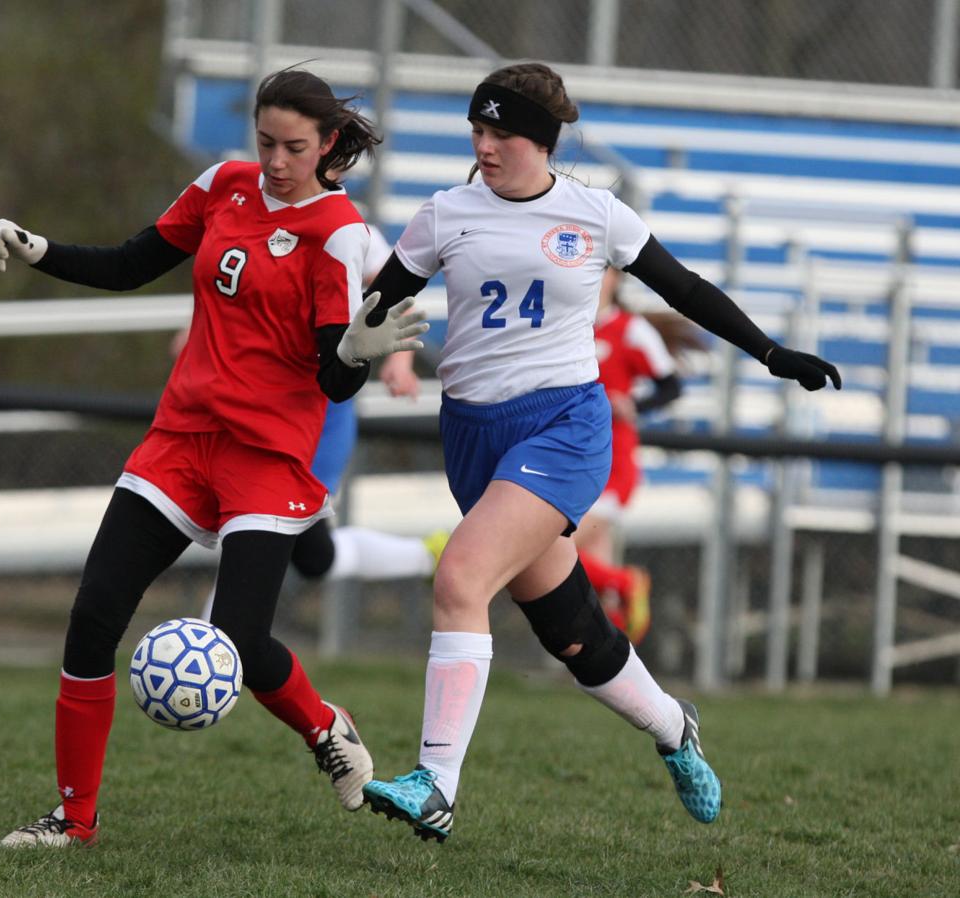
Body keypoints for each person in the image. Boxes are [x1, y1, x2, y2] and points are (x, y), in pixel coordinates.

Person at [358, 62, 841, 842]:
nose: (484, 145)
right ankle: (674, 729)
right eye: (477, 130)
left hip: (565, 428)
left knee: (460, 578)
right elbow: (367, 326)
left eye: (500, 132)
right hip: (472, 435)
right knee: (570, 628)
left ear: (541, 140)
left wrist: (771, 351)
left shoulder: (597, 215)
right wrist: (349, 354)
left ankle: (436, 784)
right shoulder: (443, 216)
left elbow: (686, 290)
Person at [0, 67, 427, 848]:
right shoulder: (225, 184)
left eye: (294, 148)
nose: (277, 161)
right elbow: (128, 264)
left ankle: (327, 729)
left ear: (328, 147)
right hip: (182, 439)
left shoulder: (338, 233)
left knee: (241, 645)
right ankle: (73, 821)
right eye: (266, 143)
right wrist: (36, 247)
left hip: (268, 455)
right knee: (91, 619)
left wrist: (356, 349)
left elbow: (332, 380)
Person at [183, 224, 443, 622]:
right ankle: (429, 556)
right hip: (256, 410)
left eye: (299, 154)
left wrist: (400, 361)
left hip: (319, 417)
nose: (280, 162)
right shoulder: (255, 217)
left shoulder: (354, 232)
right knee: (316, 558)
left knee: (248, 528)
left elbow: (398, 297)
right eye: (272, 154)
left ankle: (208, 657)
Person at [574, 267, 704, 644]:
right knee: (595, 581)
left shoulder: (629, 330)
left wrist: (633, 404)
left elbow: (670, 386)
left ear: (614, 276)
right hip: (568, 460)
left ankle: (627, 582)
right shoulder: (567, 325)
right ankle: (605, 659)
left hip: (609, 463)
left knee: (549, 547)